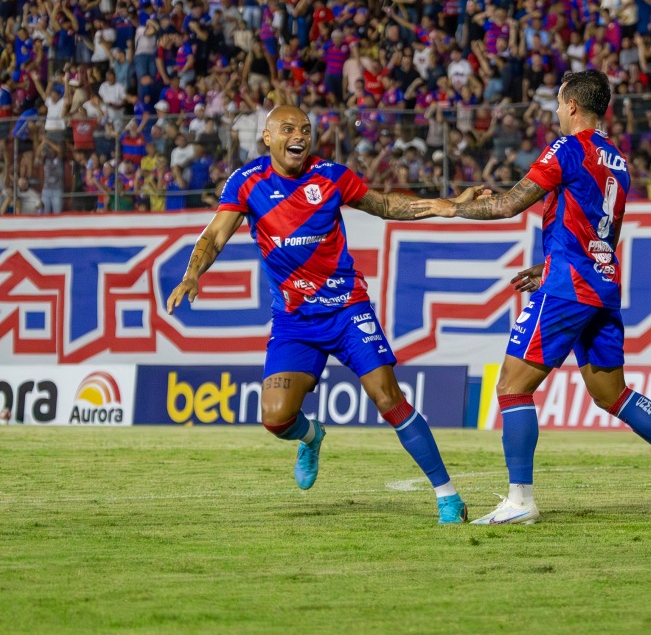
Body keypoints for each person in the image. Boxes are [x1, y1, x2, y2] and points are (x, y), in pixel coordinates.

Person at [415, 70, 651, 525]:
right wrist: (551, 263)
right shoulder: (618, 160)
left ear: (572, 105)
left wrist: (451, 207)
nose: (557, 111)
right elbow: (599, 230)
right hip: (601, 284)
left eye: (559, 103)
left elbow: (508, 204)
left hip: (569, 288)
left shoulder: (568, 148)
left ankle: (520, 501)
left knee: (512, 387)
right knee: (611, 393)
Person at [166, 104, 473, 524]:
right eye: (288, 128)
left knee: (388, 397)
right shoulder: (247, 182)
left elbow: (386, 205)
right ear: (267, 138)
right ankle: (312, 435)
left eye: (306, 129)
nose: (299, 135)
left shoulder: (331, 176)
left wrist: (445, 206)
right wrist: (192, 274)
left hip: (347, 309)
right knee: (276, 418)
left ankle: (448, 498)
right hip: (294, 320)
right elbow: (215, 235)